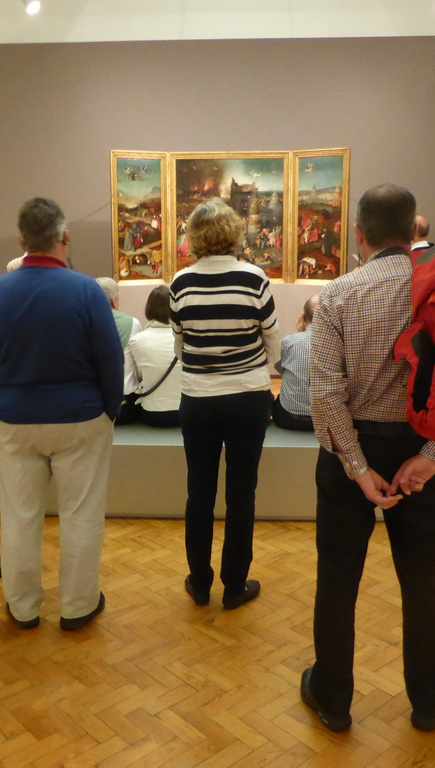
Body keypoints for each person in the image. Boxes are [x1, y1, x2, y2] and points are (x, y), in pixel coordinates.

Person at [302, 184, 435, 734]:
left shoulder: (337, 294)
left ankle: (333, 697)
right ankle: (430, 698)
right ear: (414, 232)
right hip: (419, 445)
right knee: (421, 577)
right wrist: (432, 459)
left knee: (337, 578)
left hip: (351, 451)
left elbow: (325, 395)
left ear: (358, 235)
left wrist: (358, 469)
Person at [0, 197, 123, 631]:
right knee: (82, 514)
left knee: (19, 515)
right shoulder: (87, 290)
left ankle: (22, 606)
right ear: (64, 237)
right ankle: (77, 605)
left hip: (16, 419)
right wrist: (110, 410)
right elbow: (111, 361)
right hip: (82, 419)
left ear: (21, 240)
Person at [170, 198, 279, 611]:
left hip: (198, 397)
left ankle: (199, 582)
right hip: (248, 396)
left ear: (195, 236)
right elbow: (272, 340)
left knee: (198, 492)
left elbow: (180, 348)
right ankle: (234, 585)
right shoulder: (254, 278)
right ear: (233, 232)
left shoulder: (181, 283)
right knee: (242, 492)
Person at [127, 284, 182, 427]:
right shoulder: (184, 339)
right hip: (184, 412)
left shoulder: (137, 341)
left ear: (148, 308)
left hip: (153, 414)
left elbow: (139, 375)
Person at [96, 276, 142, 423]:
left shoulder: (82, 322)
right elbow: (140, 363)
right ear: (114, 300)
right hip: (124, 403)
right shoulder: (133, 323)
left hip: (94, 405)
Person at [272, 294, 319, 431]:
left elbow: (283, 370)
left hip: (288, 418)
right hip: (326, 420)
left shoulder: (288, 342)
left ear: (303, 318)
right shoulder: (340, 345)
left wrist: (300, 334)